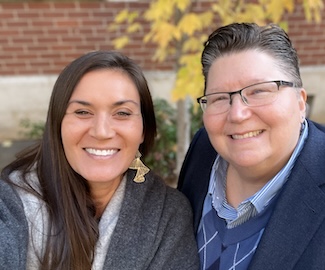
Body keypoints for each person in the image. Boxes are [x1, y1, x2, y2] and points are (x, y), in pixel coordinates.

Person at [178, 22, 325, 270]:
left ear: (300, 102)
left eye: (259, 91)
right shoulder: (204, 150)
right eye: (220, 97)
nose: (238, 114)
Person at [0, 50, 199, 270]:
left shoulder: (167, 215)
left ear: (144, 129)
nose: (102, 131)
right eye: (83, 112)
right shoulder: (9, 205)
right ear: (57, 125)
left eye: (122, 113)